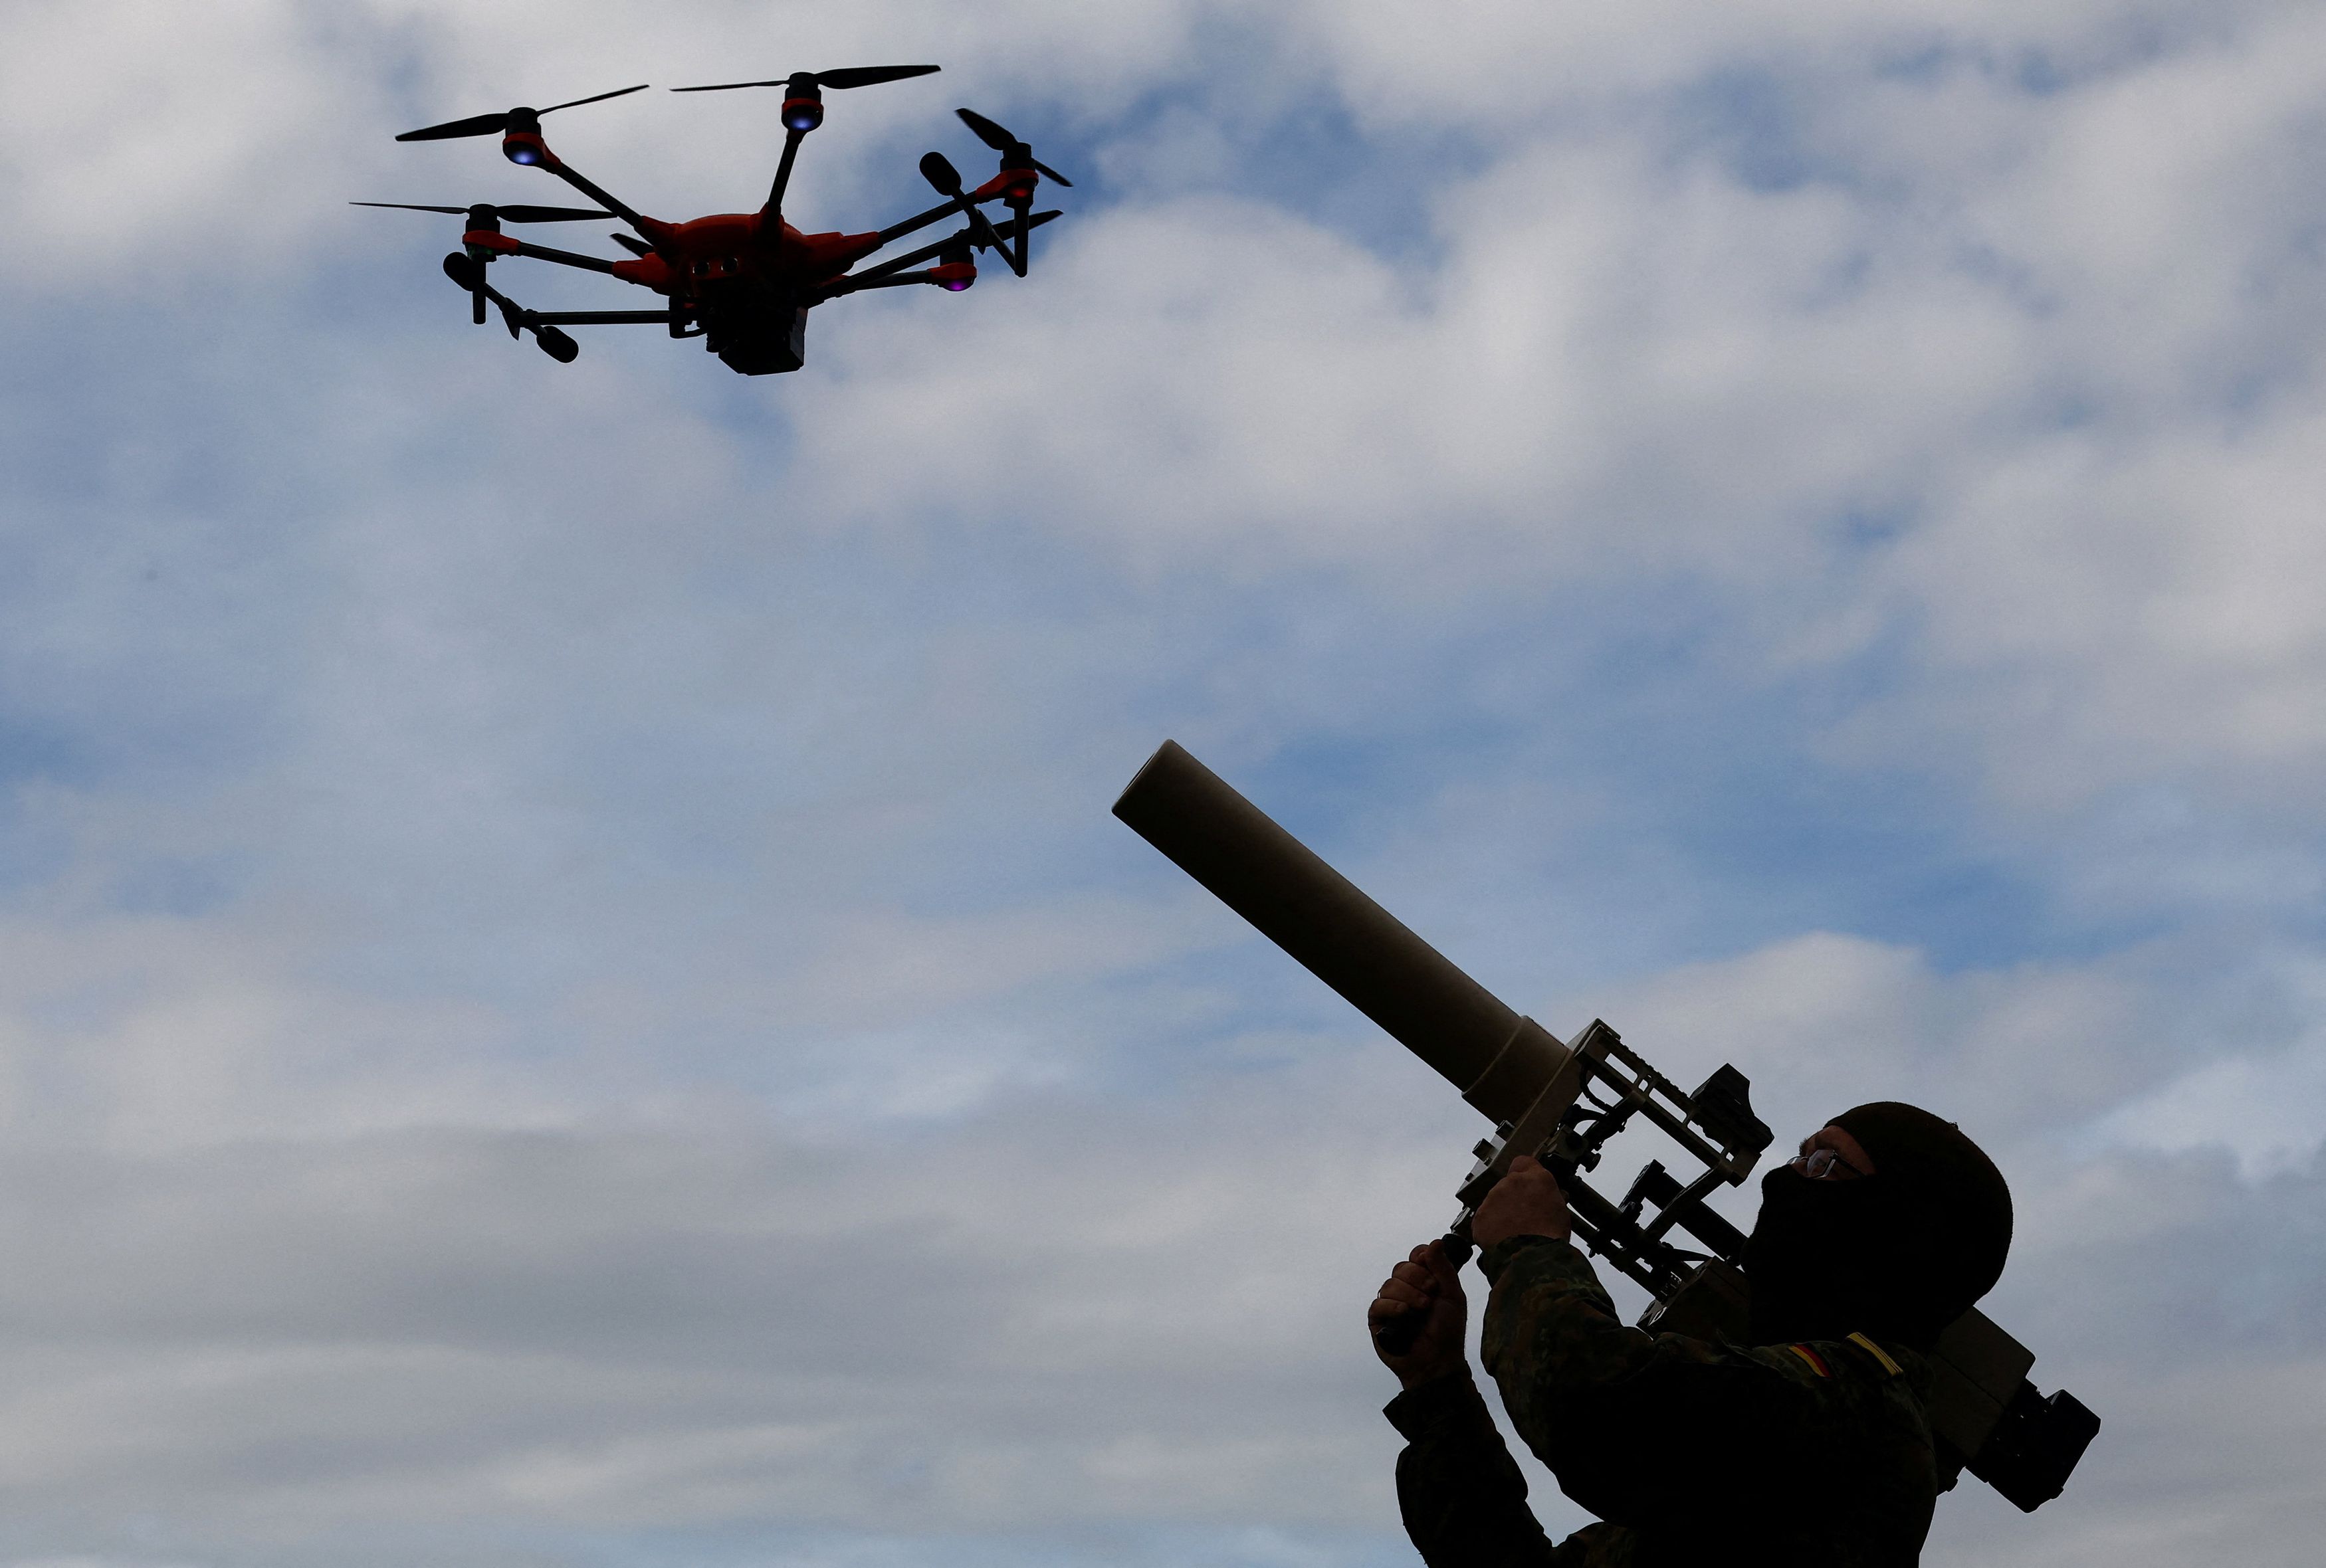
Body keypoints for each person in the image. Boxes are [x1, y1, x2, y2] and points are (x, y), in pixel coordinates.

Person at [1368, 1102, 2013, 1567]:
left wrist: (1529, 1249)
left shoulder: (1861, 1408)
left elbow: (1594, 1404)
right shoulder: (1779, 1440)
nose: (1785, 1178)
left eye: (1825, 1162)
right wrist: (1436, 1386)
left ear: (1901, 1233)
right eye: (1800, 1153)